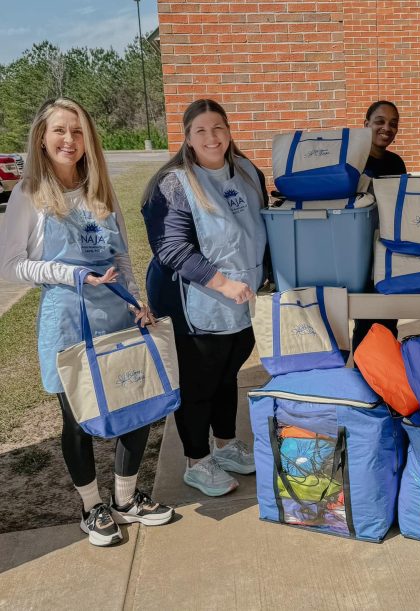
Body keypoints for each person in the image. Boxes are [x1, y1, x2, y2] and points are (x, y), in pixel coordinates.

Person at [0, 98, 173, 547]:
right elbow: (10, 264)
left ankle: (125, 499)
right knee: (77, 419)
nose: (69, 140)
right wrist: (70, 273)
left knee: (135, 404)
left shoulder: (101, 191)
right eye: (59, 130)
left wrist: (135, 299)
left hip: (116, 315)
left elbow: (120, 255)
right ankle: (90, 506)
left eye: (77, 131)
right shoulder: (28, 194)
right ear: (42, 138)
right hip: (67, 321)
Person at [141, 99, 268, 497]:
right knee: (198, 384)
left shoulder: (247, 172)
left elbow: (261, 226)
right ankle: (196, 461)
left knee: (227, 374)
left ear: (228, 131)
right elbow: (172, 249)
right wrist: (223, 284)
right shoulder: (173, 184)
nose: (211, 137)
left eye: (218, 128)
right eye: (201, 130)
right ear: (188, 137)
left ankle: (226, 445)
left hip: (242, 297)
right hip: (194, 302)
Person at [352, 101, 407, 350]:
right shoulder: (352, 160)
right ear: (366, 124)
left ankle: (385, 370)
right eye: (380, 121)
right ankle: (362, 369)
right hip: (357, 249)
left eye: (393, 123)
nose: (387, 128)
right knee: (364, 320)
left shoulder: (396, 163)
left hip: (388, 249)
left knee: (388, 318)